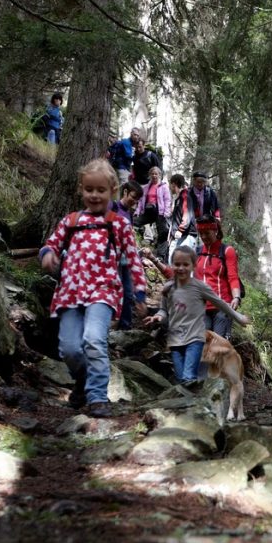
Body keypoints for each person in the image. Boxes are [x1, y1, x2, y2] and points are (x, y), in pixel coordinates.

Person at [38, 159, 147, 418]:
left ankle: (97, 395)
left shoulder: (119, 225)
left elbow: (133, 260)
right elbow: (52, 244)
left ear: (113, 191)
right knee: (69, 348)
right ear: (81, 189)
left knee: (94, 340)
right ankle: (82, 382)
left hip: (103, 291)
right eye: (89, 189)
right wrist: (47, 254)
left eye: (101, 190)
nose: (94, 195)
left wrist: (140, 293)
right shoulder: (71, 221)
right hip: (70, 292)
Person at [143, 247, 250, 384]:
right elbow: (164, 310)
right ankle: (193, 396)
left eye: (185, 265)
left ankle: (204, 388)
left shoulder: (200, 287)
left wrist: (238, 316)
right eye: (177, 264)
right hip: (175, 340)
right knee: (181, 378)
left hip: (195, 338)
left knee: (189, 376)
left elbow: (220, 303)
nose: (181, 268)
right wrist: (158, 316)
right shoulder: (168, 288)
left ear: (193, 266)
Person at [194, 218, 242, 340]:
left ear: (215, 231)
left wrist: (236, 297)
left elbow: (233, 277)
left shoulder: (227, 251)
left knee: (218, 344)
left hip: (222, 306)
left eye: (207, 233)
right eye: (201, 234)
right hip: (202, 307)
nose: (204, 237)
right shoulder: (197, 252)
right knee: (203, 343)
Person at [113, 181, 144, 329]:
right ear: (125, 192)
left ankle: (125, 326)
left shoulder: (129, 214)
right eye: (133, 197)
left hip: (126, 258)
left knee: (128, 292)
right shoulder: (112, 207)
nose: (135, 201)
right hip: (113, 258)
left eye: (137, 200)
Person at [174, 171, 222, 249]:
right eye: (198, 182)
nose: (200, 184)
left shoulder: (210, 192)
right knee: (191, 243)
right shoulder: (189, 192)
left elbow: (215, 207)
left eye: (202, 182)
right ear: (194, 181)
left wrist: (217, 218)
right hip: (192, 223)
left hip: (205, 222)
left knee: (204, 242)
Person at [135, 167, 171, 259]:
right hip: (148, 211)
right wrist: (138, 211)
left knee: (162, 233)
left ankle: (160, 256)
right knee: (135, 221)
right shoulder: (146, 187)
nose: (154, 175)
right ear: (150, 175)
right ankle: (134, 240)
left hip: (160, 212)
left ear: (159, 175)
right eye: (152, 174)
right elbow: (141, 200)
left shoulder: (164, 186)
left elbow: (167, 200)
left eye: (156, 174)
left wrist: (166, 213)